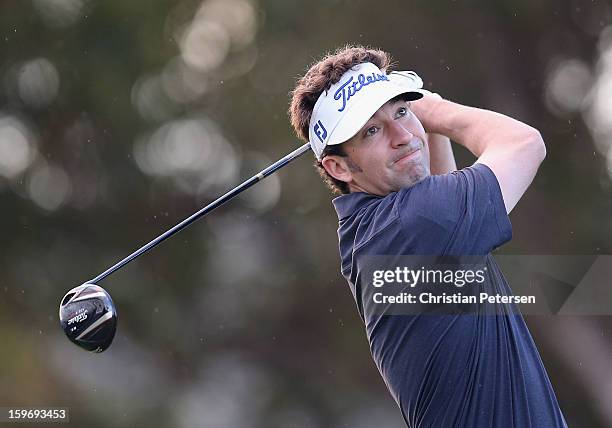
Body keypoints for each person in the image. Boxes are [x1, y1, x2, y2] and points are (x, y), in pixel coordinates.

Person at [289, 45, 567, 427]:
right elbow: (525, 144)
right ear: (338, 167)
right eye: (372, 130)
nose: (401, 135)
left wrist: (422, 131)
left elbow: (436, 192)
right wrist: (433, 109)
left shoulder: (375, 233)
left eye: (402, 111)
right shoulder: (413, 224)